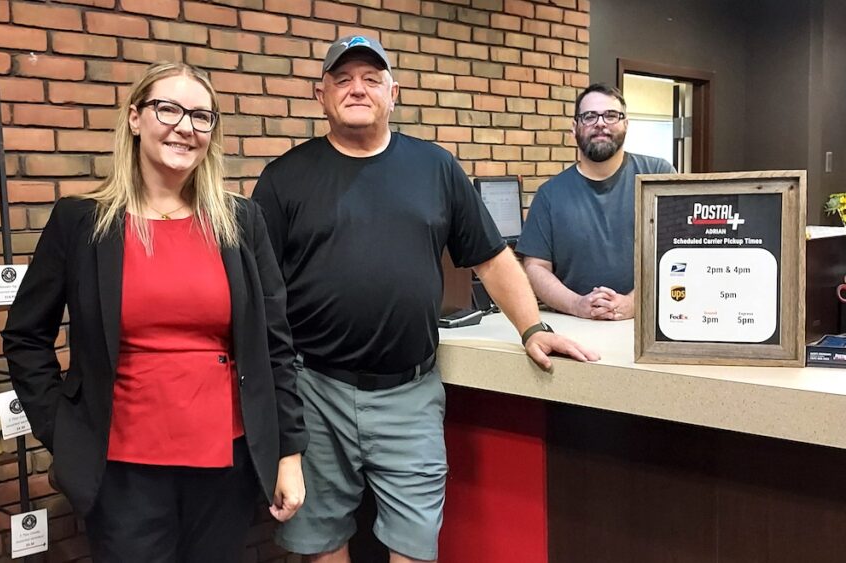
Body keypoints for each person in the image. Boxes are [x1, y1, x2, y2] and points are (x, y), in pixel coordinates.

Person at [251, 36, 598, 563]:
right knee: (321, 544)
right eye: (342, 80)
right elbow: (262, 294)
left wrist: (533, 329)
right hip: (314, 389)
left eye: (370, 78)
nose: (356, 89)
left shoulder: (434, 167)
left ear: (395, 92)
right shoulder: (283, 179)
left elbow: (492, 258)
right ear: (320, 95)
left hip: (409, 394)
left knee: (414, 545)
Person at [2, 62, 308, 562]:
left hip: (225, 462)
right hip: (122, 469)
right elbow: (25, 336)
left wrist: (289, 453)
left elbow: (276, 344)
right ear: (134, 118)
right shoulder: (81, 222)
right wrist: (62, 429)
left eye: (201, 116)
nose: (185, 126)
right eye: (168, 109)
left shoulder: (240, 222)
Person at [516, 83, 677, 320]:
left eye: (611, 115)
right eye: (589, 116)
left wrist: (635, 303)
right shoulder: (550, 195)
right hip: (575, 328)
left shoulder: (659, 176)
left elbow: (681, 251)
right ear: (575, 127)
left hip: (650, 322)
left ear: (626, 124)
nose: (600, 123)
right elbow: (536, 267)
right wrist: (577, 304)